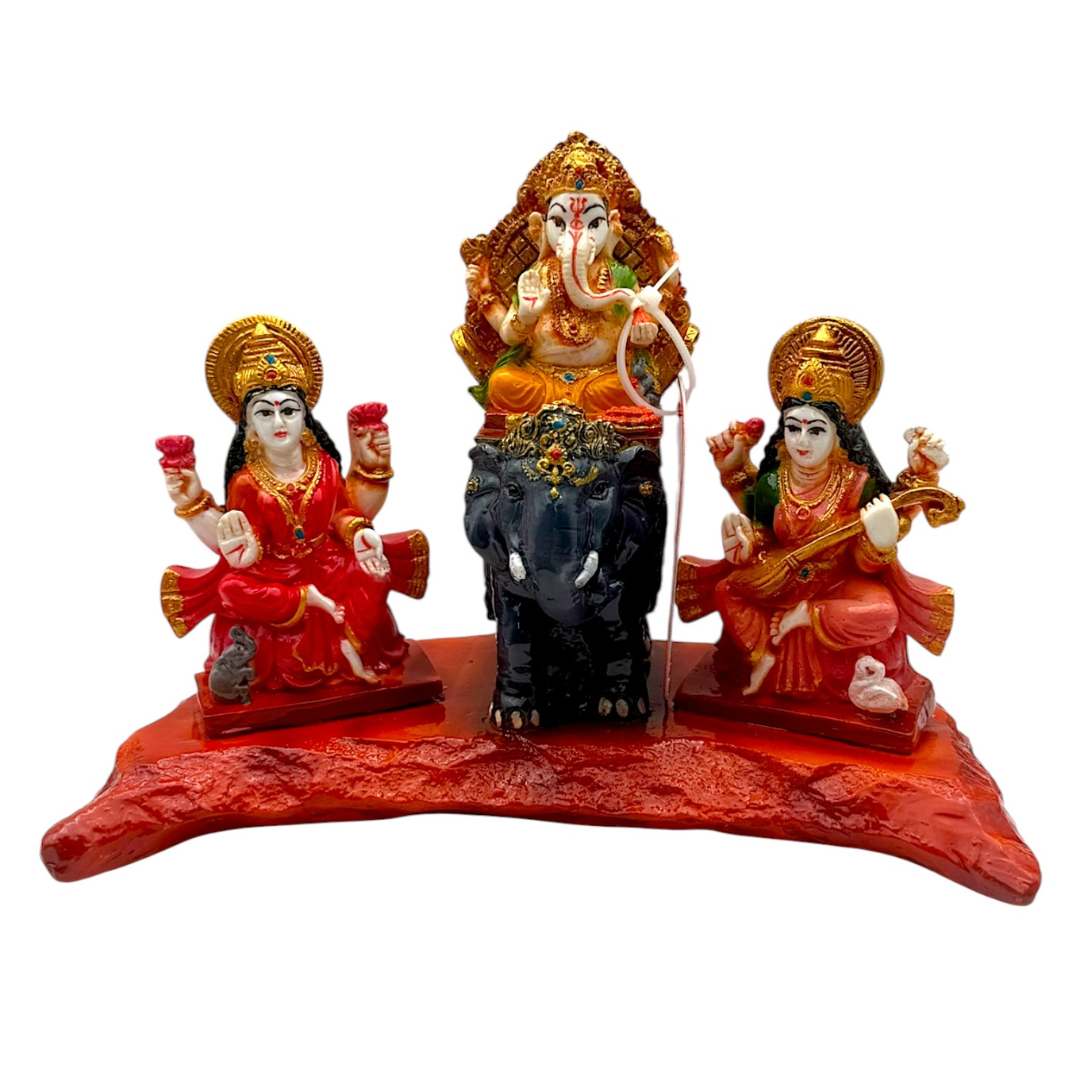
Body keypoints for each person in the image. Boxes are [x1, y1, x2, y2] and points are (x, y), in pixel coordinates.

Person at [679, 319, 955, 705]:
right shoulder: (775, 481)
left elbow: (870, 556)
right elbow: (762, 529)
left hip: (837, 586)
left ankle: (810, 619)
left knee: (883, 613)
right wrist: (744, 536)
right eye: (793, 428)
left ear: (839, 434)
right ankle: (763, 656)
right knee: (727, 590)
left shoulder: (857, 483)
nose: (802, 441)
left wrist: (882, 540)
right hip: (785, 580)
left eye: (816, 431)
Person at [161, 316, 424, 692]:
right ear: (250, 427)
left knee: (375, 572)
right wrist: (243, 548)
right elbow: (246, 536)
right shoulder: (246, 482)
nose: (278, 422)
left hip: (327, 562)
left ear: (305, 418)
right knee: (231, 588)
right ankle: (307, 601)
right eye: (264, 413)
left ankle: (351, 645)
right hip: (276, 573)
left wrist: (358, 533)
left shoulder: (325, 466)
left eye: (288, 410)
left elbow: (341, 513)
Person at [458, 132, 693, 418]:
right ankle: (570, 406)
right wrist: (527, 317)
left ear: (611, 225)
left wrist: (643, 332)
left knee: (630, 386)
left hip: (602, 377)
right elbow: (509, 335)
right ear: (541, 226)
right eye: (560, 222)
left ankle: (568, 407)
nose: (576, 233)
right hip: (540, 375)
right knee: (502, 383)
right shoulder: (537, 275)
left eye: (593, 223)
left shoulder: (619, 276)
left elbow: (638, 328)